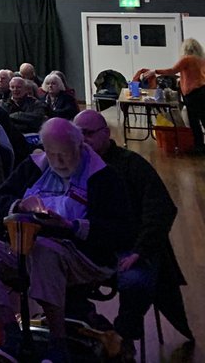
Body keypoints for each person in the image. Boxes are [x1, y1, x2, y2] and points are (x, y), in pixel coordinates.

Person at [0, 118, 134, 363]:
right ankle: (12, 334)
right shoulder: (34, 166)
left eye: (64, 154)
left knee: (45, 249)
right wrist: (18, 205)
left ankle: (58, 343)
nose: (59, 161)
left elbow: (120, 231)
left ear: (80, 145)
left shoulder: (103, 176)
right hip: (25, 247)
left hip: (83, 255)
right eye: (52, 154)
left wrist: (70, 226)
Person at [72, 110, 194, 351]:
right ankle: (88, 327)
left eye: (88, 134)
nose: (83, 140)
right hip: (89, 248)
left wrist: (141, 250)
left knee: (136, 281)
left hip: (130, 247)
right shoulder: (71, 166)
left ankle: (120, 338)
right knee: (51, 274)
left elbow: (161, 209)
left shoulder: (131, 165)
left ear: (106, 133)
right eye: (78, 135)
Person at [136, 37, 205, 154]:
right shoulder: (201, 60)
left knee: (194, 121)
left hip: (192, 93)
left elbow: (172, 70)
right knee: (203, 118)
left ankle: (199, 146)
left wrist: (155, 71)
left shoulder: (186, 59)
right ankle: (200, 146)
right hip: (202, 90)